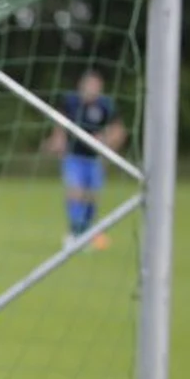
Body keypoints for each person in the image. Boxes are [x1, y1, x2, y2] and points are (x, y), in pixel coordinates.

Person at [44, 69, 126, 250]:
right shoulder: (71, 102)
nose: (91, 89)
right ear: (81, 86)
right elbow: (59, 123)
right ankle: (74, 232)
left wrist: (105, 141)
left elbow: (119, 131)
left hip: (94, 158)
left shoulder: (106, 105)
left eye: (95, 86)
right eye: (88, 85)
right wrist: (58, 140)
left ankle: (87, 231)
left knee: (91, 196)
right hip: (74, 156)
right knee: (75, 191)